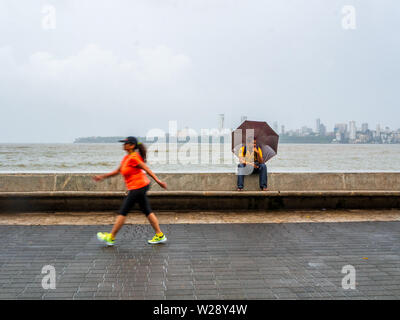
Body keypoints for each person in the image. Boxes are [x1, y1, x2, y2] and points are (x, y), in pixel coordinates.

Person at [93, 136, 168, 246]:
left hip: (138, 187)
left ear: (132, 145)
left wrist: (158, 181)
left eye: (126, 143)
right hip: (139, 187)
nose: (123, 145)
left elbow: (146, 169)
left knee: (123, 211)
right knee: (147, 210)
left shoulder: (134, 157)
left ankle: (111, 237)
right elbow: (117, 171)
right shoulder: (126, 158)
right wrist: (102, 177)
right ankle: (160, 235)